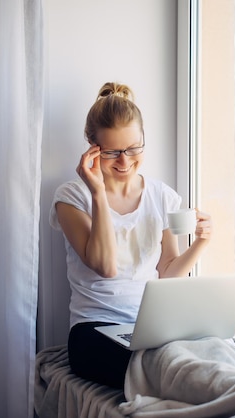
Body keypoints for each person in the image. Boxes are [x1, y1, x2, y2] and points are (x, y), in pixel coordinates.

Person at [49, 82, 212, 389]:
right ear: (92, 148)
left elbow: (166, 273)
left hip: (149, 325)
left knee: (209, 354)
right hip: (93, 330)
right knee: (167, 373)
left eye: (134, 148)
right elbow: (106, 267)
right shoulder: (72, 198)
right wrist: (98, 192)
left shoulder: (161, 196)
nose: (125, 162)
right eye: (112, 152)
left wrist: (202, 242)